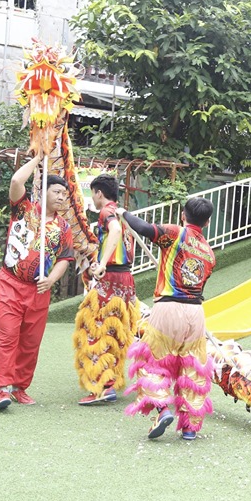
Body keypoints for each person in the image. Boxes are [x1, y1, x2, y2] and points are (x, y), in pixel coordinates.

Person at [118, 198, 216, 441]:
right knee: (192, 368)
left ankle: (162, 409)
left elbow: (143, 228)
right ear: (207, 222)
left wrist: (123, 213)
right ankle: (190, 428)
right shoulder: (210, 253)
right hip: (196, 313)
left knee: (151, 362)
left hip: (168, 308)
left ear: (183, 215)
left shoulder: (175, 234)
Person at [0, 153, 74, 411]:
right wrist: (38, 157)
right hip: (11, 284)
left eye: (64, 194)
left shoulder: (63, 228)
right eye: (57, 192)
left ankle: (20, 387)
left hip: (39, 290)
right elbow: (16, 181)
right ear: (43, 191)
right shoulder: (24, 209)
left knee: (30, 342)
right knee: (6, 335)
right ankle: (2, 389)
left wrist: (51, 280)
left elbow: (65, 259)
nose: (61, 197)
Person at [73, 174, 138, 405]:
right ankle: (110, 383)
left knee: (95, 331)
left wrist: (101, 264)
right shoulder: (123, 212)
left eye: (93, 193)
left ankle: (102, 386)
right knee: (115, 333)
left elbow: (115, 231)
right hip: (126, 278)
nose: (93, 198)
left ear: (99, 193)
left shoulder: (107, 212)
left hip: (110, 279)